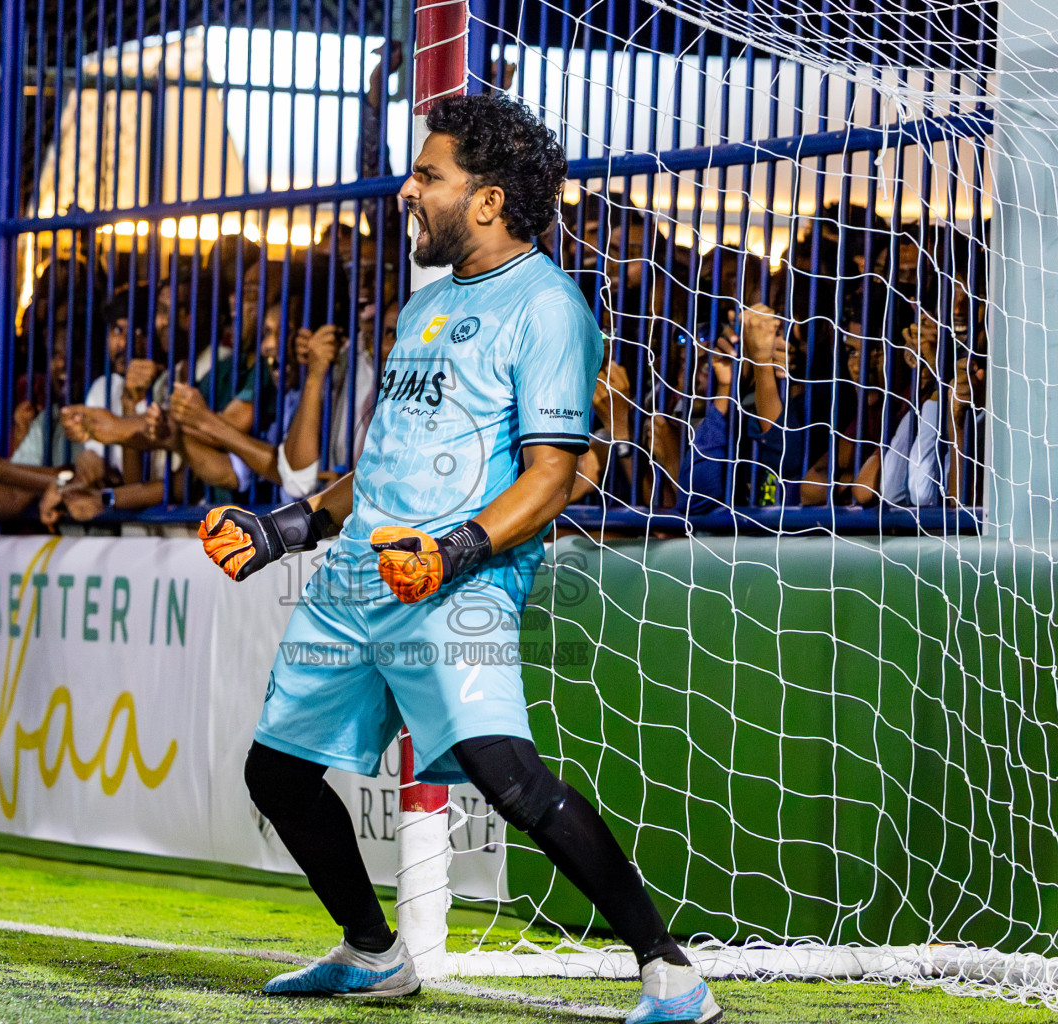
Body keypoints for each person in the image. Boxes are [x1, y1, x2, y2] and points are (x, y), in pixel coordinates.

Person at [195, 93, 722, 1024]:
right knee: (276, 772)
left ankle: (670, 973)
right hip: (359, 576)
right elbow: (385, 462)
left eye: (429, 174)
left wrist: (454, 552)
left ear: (485, 201)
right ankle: (371, 955)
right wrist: (284, 529)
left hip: (455, 583)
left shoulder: (550, 308)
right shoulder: (425, 305)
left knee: (506, 774)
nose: (408, 189)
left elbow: (554, 477)